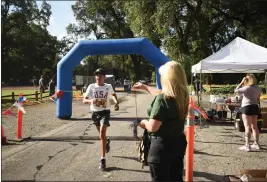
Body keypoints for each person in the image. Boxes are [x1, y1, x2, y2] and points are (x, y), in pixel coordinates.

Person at [133, 61, 188, 181]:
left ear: (167, 78)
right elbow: (161, 93)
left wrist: (142, 122)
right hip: (177, 144)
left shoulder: (162, 99)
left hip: (161, 148)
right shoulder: (183, 95)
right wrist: (145, 87)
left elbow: (153, 127)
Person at [83, 68, 119, 170]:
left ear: (104, 77)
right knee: (101, 135)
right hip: (95, 113)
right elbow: (84, 100)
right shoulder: (91, 87)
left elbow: (113, 95)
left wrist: (116, 102)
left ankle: (102, 159)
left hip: (105, 112)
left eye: (100, 75)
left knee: (102, 132)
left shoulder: (108, 86)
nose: (98, 77)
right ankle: (106, 141)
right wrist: (91, 101)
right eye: (97, 75)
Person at [235, 74, 261, 151]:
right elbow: (258, 99)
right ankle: (256, 144)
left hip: (246, 107)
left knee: (247, 126)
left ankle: (247, 145)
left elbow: (236, 90)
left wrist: (241, 83)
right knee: (255, 126)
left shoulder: (246, 88)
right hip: (255, 107)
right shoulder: (258, 88)